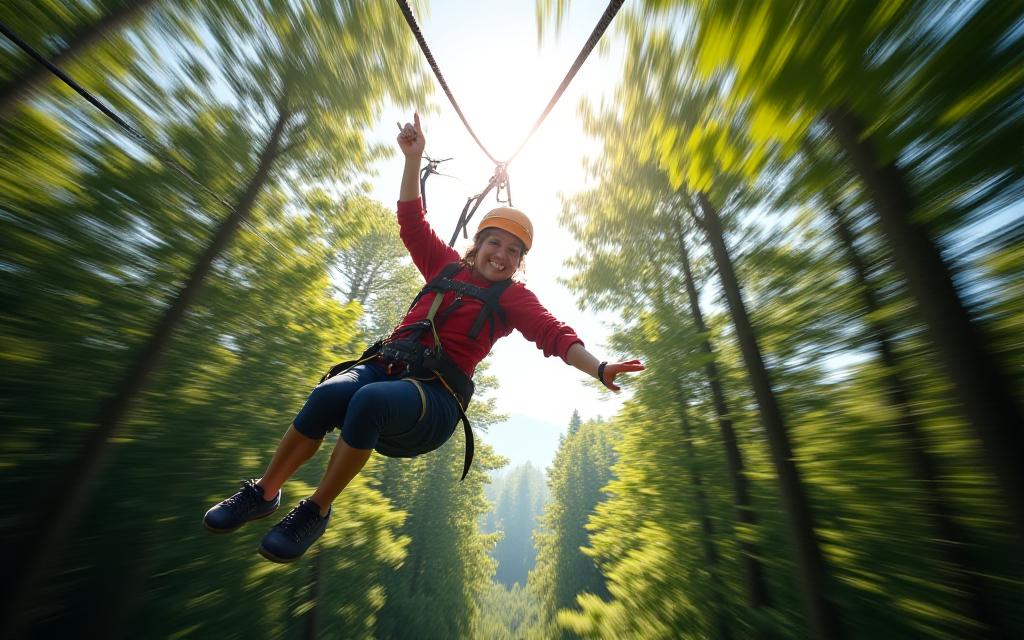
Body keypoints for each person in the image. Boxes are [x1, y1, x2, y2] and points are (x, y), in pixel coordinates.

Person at [203, 113, 644, 563]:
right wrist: (412, 160)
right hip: (385, 367)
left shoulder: (513, 298)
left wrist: (600, 368)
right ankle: (264, 492)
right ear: (479, 244)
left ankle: (315, 510)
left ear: (519, 262)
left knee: (369, 402)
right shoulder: (446, 267)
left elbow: (555, 336)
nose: (503, 256)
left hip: (434, 399)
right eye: (496, 244)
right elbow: (413, 222)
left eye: (515, 252)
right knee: (328, 394)